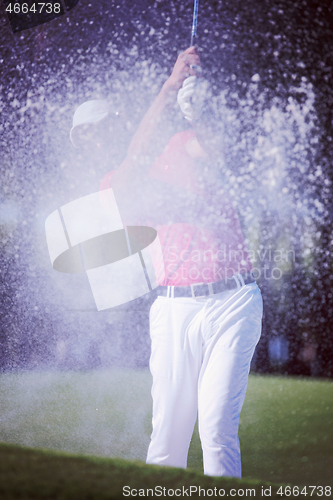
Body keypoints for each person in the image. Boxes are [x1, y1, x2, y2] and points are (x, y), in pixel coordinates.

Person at [70, 47, 263, 478]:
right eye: (83, 138)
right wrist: (168, 88)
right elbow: (132, 167)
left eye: (96, 130)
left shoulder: (178, 145)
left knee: (216, 429)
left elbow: (217, 145)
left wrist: (198, 111)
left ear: (116, 126)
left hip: (234, 302)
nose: (93, 142)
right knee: (167, 440)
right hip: (174, 308)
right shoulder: (110, 186)